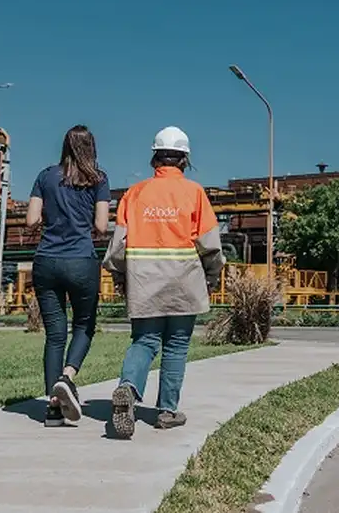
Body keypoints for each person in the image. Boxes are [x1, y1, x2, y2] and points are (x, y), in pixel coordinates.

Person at [102, 126, 225, 438]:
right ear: (184, 161)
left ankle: (128, 388)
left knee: (144, 341)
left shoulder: (135, 194)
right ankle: (167, 411)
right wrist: (211, 276)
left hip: (144, 280)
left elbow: (118, 246)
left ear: (154, 159)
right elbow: (210, 245)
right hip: (184, 280)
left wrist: (119, 275)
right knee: (177, 345)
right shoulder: (195, 193)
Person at [26, 125, 110, 428]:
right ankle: (67, 376)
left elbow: (31, 219)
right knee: (84, 326)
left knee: (54, 336)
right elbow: (101, 226)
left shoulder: (45, 175)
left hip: (46, 261)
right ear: (92, 147)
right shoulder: (98, 179)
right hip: (81, 261)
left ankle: (52, 407)